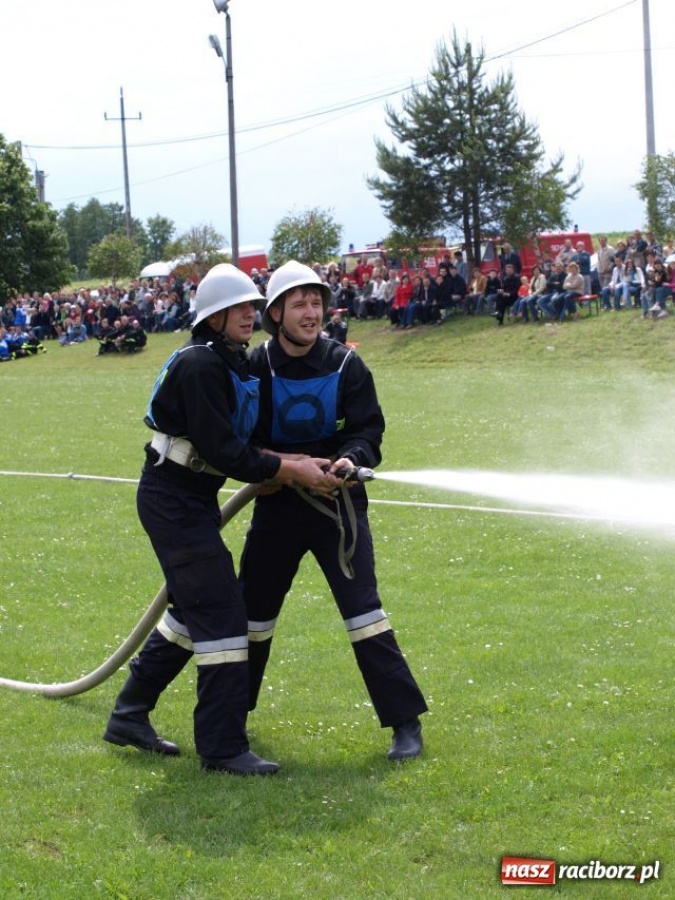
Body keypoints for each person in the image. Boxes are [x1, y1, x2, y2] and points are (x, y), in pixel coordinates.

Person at [103, 263, 334, 776]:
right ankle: (222, 747)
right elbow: (223, 449)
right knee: (225, 615)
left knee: (192, 612)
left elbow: (240, 446)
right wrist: (285, 467)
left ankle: (129, 714)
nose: (252, 314)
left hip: (191, 498)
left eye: (255, 306)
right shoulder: (201, 366)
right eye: (241, 307)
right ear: (214, 316)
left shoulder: (232, 363)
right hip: (172, 499)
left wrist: (288, 464)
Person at [240, 260, 428, 761]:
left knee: (364, 614)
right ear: (276, 312)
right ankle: (231, 717)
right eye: (299, 303)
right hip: (276, 506)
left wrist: (352, 459)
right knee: (253, 618)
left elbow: (368, 431)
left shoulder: (348, 365)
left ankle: (405, 724)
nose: (311, 312)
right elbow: (242, 440)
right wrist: (280, 469)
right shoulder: (254, 368)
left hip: (337, 511)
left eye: (317, 302)